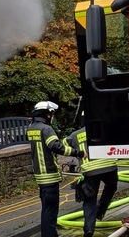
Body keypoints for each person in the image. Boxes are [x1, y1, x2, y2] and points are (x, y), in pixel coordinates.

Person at [26, 101, 85, 237]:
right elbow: (56, 146)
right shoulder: (46, 129)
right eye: (51, 114)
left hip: (40, 176)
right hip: (49, 176)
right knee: (51, 211)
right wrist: (78, 152)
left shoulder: (31, 128)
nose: (52, 117)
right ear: (46, 114)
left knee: (46, 209)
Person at [66, 125, 119, 237]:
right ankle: (100, 211)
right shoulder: (105, 128)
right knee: (111, 187)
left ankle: (89, 229)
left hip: (90, 170)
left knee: (90, 199)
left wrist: (77, 152)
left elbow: (63, 145)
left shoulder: (75, 135)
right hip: (108, 166)